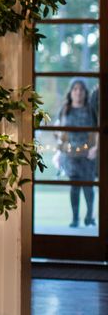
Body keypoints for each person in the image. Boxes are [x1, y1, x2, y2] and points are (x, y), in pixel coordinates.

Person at [53, 78, 98, 228]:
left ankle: (89, 218)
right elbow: (60, 132)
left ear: (85, 92)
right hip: (70, 155)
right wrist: (59, 151)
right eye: (75, 89)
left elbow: (96, 130)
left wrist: (95, 148)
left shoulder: (90, 109)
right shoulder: (65, 109)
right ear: (71, 92)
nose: (78, 92)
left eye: (81, 89)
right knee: (74, 187)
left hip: (88, 154)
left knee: (88, 187)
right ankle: (75, 219)